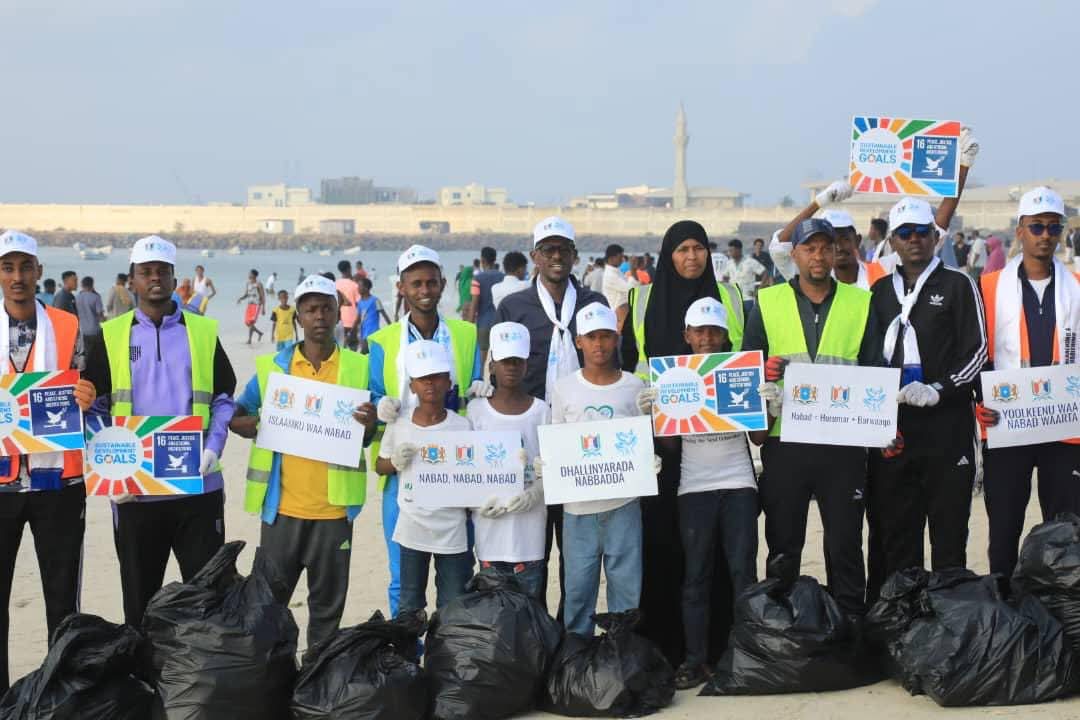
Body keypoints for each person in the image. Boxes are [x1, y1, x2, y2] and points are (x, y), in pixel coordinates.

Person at [84, 235, 237, 626]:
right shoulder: (110, 336)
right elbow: (94, 408)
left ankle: (202, 668)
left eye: (162, 271)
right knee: (139, 603)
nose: (154, 278)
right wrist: (108, 468)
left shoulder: (203, 332)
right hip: (135, 493)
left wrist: (214, 446)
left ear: (173, 277)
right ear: (132, 279)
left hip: (197, 488)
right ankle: (143, 666)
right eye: (145, 271)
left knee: (207, 602)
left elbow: (223, 398)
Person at [865, 139, 988, 602]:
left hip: (947, 427)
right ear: (893, 241)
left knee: (949, 536)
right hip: (896, 430)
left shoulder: (958, 284)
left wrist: (940, 389)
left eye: (922, 231)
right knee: (898, 537)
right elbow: (869, 357)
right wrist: (877, 416)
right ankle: (906, 626)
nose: (914, 239)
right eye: (905, 233)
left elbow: (977, 351)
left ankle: (952, 625)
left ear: (935, 237)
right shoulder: (880, 292)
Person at [619, 220, 744, 665]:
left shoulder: (730, 297)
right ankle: (667, 644)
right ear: (667, 254)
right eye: (682, 249)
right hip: (661, 447)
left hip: (717, 446)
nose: (692, 257)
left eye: (699, 248)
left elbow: (743, 358)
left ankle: (723, 643)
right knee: (663, 540)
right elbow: (628, 364)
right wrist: (643, 406)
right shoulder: (641, 300)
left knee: (720, 551)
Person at [746, 218, 883, 618]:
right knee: (784, 544)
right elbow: (749, 370)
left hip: (843, 444)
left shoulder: (860, 302)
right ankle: (781, 628)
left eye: (826, 247)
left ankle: (850, 624)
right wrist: (765, 379)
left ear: (837, 251)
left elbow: (874, 370)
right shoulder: (767, 302)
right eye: (810, 248)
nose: (818, 256)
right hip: (784, 442)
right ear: (795, 254)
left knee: (844, 544)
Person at [231, 274, 376, 648]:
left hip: (334, 512)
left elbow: (373, 430)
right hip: (282, 511)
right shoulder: (273, 369)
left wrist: (372, 424)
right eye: (311, 309)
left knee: (327, 611)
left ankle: (316, 676)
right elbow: (237, 413)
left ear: (338, 312)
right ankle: (274, 677)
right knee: (269, 608)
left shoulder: (360, 367)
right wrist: (246, 425)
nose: (319, 316)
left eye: (326, 308)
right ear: (298, 316)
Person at [494, 217, 607, 616]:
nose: (556, 256)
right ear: (534, 256)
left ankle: (570, 628)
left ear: (574, 255)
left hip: (582, 441)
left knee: (577, 548)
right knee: (533, 547)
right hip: (530, 441)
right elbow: (499, 370)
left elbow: (612, 364)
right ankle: (534, 627)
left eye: (563, 249)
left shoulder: (594, 304)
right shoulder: (513, 306)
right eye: (548, 250)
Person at [0, 231, 96, 693]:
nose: (17, 277)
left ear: (39, 271)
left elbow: (92, 391)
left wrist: (89, 395)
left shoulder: (67, 324)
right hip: (1, 485)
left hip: (59, 482)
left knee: (62, 604)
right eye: (8, 268)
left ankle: (60, 696)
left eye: (25, 267)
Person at [646, 296, 759, 689]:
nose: (707, 338)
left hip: (739, 483)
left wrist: (766, 403)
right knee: (696, 576)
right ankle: (695, 659)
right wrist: (656, 412)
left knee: (743, 573)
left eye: (714, 331)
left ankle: (746, 655)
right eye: (700, 331)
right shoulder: (675, 376)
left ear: (726, 335)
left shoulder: (738, 371)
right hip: (694, 487)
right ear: (687, 335)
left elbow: (759, 437)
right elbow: (670, 446)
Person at [368, 245, 484, 617]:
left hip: (454, 466)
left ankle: (449, 647)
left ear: (443, 284)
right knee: (402, 577)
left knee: (457, 575)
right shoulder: (382, 340)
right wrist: (379, 405)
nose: (424, 290)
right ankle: (406, 647)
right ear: (401, 287)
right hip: (403, 466)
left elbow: (474, 389)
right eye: (415, 283)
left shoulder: (465, 334)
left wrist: (482, 390)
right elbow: (372, 395)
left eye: (431, 282)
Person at [977, 186, 1080, 575]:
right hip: (1008, 424)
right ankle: (1003, 599)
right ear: (1020, 230)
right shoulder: (988, 287)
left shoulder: (1077, 286)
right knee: (1004, 528)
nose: (1045, 235)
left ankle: (1061, 603)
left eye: (1053, 227)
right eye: (1036, 226)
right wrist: (977, 400)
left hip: (1064, 428)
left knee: (1066, 530)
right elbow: (975, 354)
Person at [547, 302, 653, 638]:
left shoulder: (634, 387)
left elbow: (643, 440)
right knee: (578, 592)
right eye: (591, 337)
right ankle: (577, 655)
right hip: (578, 510)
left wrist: (649, 458)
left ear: (616, 338)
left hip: (624, 505)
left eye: (606, 335)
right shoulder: (564, 388)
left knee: (626, 590)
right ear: (578, 341)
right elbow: (559, 440)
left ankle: (622, 652)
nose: (599, 344)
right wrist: (549, 462)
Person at [376, 340, 474, 613]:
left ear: (449, 383)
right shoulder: (399, 424)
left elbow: (474, 475)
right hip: (412, 527)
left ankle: (445, 644)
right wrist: (394, 462)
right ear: (412, 386)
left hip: (452, 528)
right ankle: (410, 644)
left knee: (453, 604)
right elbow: (379, 465)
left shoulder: (463, 426)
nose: (430, 383)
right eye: (422, 378)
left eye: (437, 376)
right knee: (410, 604)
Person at [466, 322, 549, 599]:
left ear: (526, 365)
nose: (511, 367)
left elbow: (553, 467)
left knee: (529, 608)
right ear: (492, 365)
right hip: (489, 534)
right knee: (493, 611)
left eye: (517, 361)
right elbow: (463, 466)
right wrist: (475, 502)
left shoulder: (542, 411)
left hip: (530, 536)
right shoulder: (476, 411)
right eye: (504, 361)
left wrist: (537, 492)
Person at [770, 187, 888, 290]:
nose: (839, 247)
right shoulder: (813, 277)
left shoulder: (884, 271)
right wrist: (818, 203)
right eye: (831, 243)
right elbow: (779, 248)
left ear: (857, 241)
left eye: (845, 239)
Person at [466, 247, 505, 367]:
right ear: (495, 260)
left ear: (482, 260)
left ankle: (480, 377)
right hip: (500, 323)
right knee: (499, 358)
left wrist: (468, 326)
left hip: (483, 323)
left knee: (480, 360)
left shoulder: (477, 279)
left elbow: (474, 303)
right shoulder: (503, 277)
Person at [718, 239, 767, 313]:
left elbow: (765, 273)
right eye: (729, 251)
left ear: (739, 250)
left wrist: (759, 289)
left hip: (747, 298)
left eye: (731, 250)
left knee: (748, 318)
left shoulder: (750, 262)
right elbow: (725, 277)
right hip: (734, 299)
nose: (729, 253)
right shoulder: (729, 263)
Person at [601, 244, 632, 332]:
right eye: (620, 257)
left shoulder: (617, 272)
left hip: (622, 313)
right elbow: (630, 288)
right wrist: (633, 271)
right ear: (611, 258)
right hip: (617, 316)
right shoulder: (610, 275)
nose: (622, 260)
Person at [355, 277, 390, 353]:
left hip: (373, 333)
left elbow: (384, 314)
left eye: (360, 286)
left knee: (363, 353)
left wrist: (391, 327)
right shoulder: (360, 302)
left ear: (366, 288)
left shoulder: (375, 300)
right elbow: (358, 319)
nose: (358, 288)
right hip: (363, 333)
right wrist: (352, 331)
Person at [336, 260, 361, 351]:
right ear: (349, 269)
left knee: (340, 345)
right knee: (353, 346)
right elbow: (359, 303)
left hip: (338, 319)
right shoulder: (354, 285)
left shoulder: (335, 284)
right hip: (352, 320)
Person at [237, 269, 265, 344]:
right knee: (247, 322)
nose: (248, 275)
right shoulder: (248, 283)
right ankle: (259, 333)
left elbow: (262, 296)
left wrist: (263, 308)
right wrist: (241, 298)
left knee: (251, 322)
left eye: (250, 274)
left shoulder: (259, 284)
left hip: (256, 305)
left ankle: (249, 340)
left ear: (254, 275)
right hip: (249, 305)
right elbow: (246, 294)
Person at [75, 275, 105, 344]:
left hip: (83, 331)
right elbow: (100, 316)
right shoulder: (96, 297)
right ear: (92, 284)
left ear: (82, 285)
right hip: (95, 331)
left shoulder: (77, 298)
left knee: (86, 350)